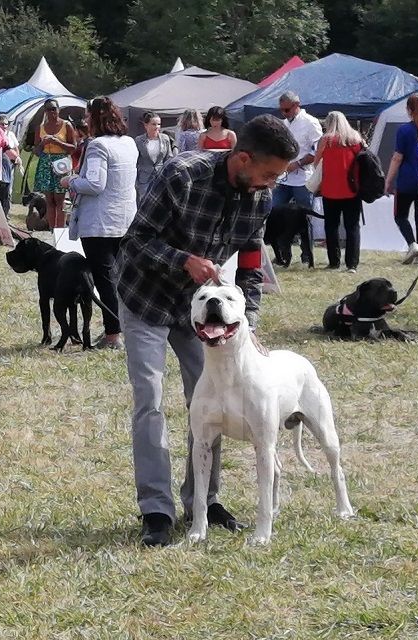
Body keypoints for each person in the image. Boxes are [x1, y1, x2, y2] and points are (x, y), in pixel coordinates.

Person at [116, 114, 299, 546]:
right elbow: (136, 239)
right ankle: (156, 511)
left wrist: (247, 320)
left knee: (211, 396)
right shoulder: (182, 174)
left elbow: (252, 265)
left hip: (206, 312)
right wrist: (184, 259)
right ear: (242, 159)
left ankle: (205, 500)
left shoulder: (259, 199)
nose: (272, 183)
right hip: (145, 295)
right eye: (268, 173)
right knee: (151, 399)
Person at [60, 96, 137, 350]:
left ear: (95, 118)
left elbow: (94, 184)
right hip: (125, 220)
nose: (85, 120)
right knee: (121, 277)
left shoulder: (97, 146)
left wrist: (69, 181)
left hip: (100, 223)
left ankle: (113, 335)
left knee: (105, 279)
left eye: (87, 116)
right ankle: (126, 329)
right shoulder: (129, 143)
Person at [272, 91, 323, 264]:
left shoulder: (311, 123)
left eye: (286, 109)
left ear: (296, 105)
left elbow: (317, 150)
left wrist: (298, 163)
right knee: (275, 214)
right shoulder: (284, 123)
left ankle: (306, 253)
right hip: (283, 178)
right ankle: (282, 254)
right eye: (282, 110)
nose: (284, 113)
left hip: (303, 178)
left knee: (304, 218)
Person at [313, 111, 363, 273]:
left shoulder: (326, 140)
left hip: (330, 190)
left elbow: (316, 163)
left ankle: (334, 261)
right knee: (352, 227)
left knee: (331, 226)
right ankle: (352, 264)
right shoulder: (355, 138)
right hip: (352, 189)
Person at [385, 95, 418, 264]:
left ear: (409, 110)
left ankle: (412, 244)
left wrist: (388, 180)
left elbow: (397, 157)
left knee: (400, 216)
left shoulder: (404, 130)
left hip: (405, 181)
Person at [33, 98, 76, 229]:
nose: (51, 112)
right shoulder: (40, 128)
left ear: (58, 110)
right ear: (45, 111)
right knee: (49, 200)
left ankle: (60, 230)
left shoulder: (66, 125)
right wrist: (42, 143)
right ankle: (52, 230)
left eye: (54, 109)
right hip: (46, 163)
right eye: (48, 109)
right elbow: (36, 150)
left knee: (60, 200)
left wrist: (58, 142)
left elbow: (73, 147)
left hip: (61, 163)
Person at [135, 111, 176, 206]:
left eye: (159, 124)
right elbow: (135, 161)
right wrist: (136, 181)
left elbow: (169, 157)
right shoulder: (138, 140)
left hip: (161, 177)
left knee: (160, 205)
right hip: (144, 179)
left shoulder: (165, 138)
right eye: (153, 124)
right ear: (146, 125)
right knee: (144, 205)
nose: (157, 127)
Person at [0, 114, 21, 218]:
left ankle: (4, 215)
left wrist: (17, 158)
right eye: (2, 124)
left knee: (6, 191)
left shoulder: (10, 135)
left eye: (7, 124)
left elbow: (14, 148)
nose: (5, 126)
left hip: (8, 165)